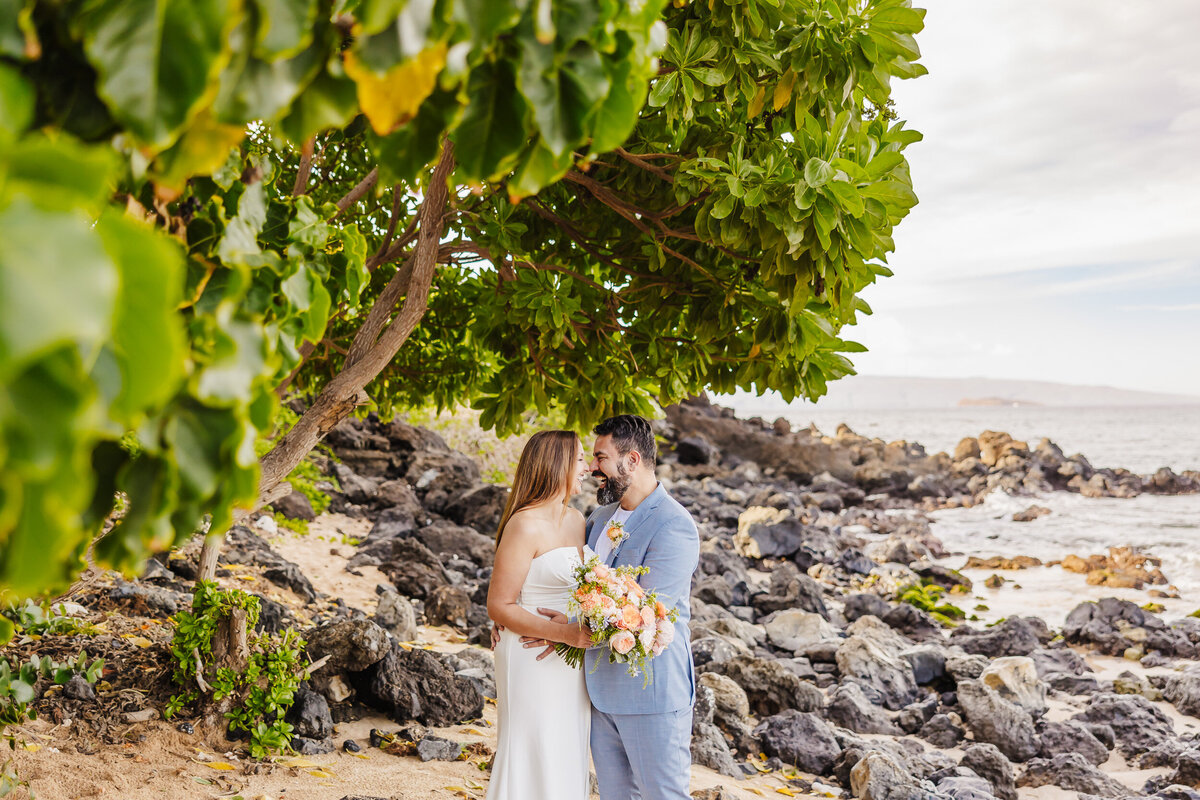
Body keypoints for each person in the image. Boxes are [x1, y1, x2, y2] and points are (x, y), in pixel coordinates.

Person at [522, 414, 700, 800]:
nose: (591, 468)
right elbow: (565, 580)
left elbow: (650, 615)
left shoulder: (674, 525)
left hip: (651, 694)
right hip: (598, 693)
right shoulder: (598, 518)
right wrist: (518, 612)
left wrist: (567, 632)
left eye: (600, 458)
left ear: (632, 461)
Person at [485, 430, 596, 800]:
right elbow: (499, 605)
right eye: (580, 459)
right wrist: (561, 634)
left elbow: (580, 591)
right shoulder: (524, 524)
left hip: (570, 656)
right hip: (531, 653)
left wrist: (575, 631)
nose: (588, 467)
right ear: (557, 463)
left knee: (565, 747)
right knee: (531, 747)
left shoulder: (577, 520)